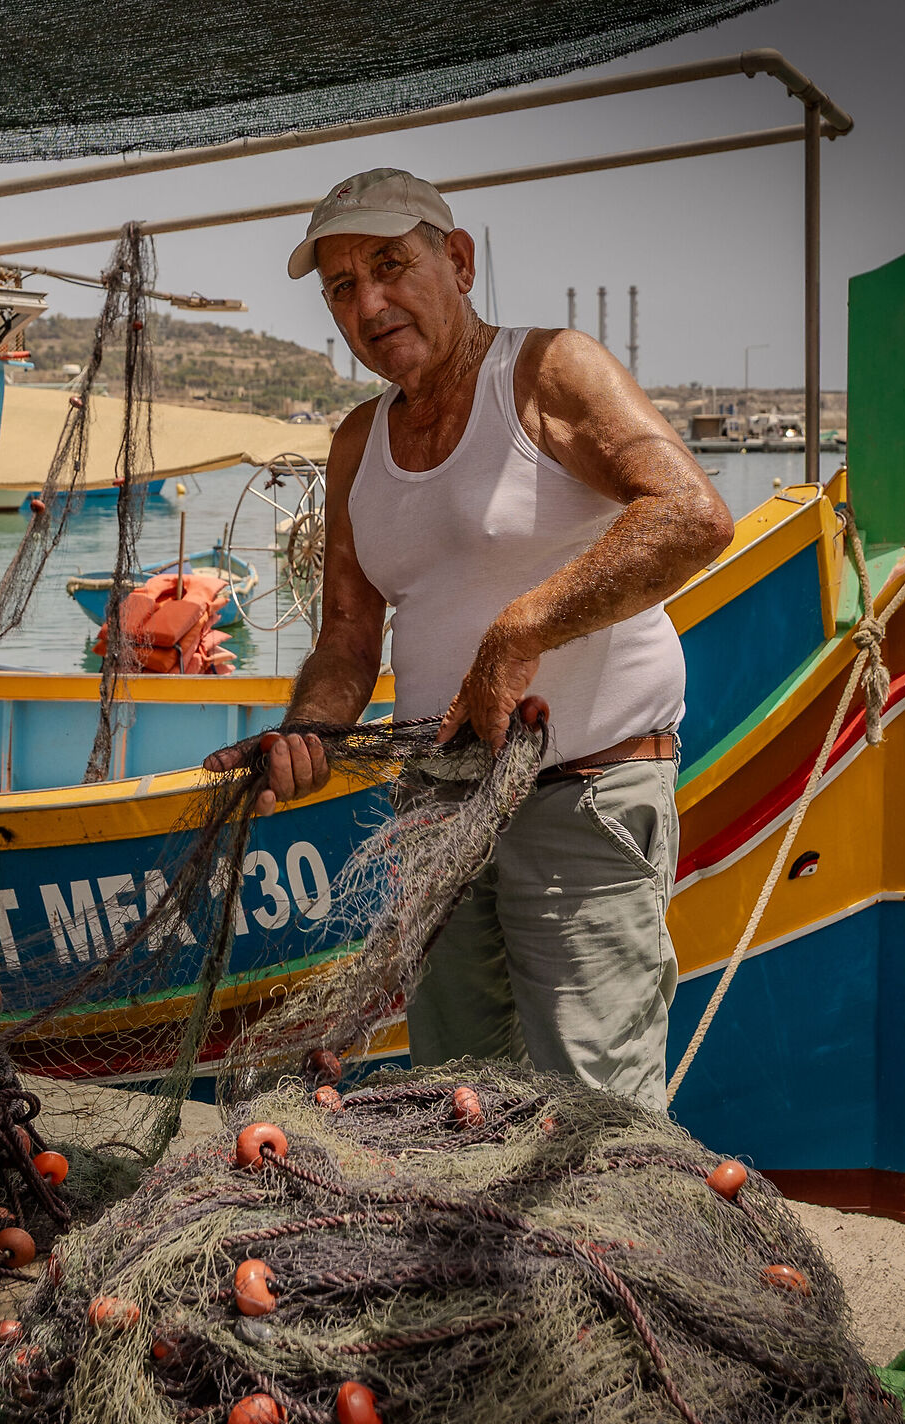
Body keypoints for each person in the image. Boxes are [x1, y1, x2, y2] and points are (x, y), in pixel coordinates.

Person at [206, 170, 733, 1108]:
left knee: (592, 1114)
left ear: (457, 261)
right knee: (458, 1095)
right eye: (340, 287)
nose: (369, 302)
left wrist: (520, 631)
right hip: (437, 813)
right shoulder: (357, 439)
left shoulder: (546, 371)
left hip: (585, 795)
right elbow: (347, 634)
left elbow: (692, 516)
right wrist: (311, 732)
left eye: (389, 265)